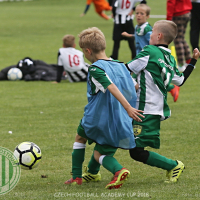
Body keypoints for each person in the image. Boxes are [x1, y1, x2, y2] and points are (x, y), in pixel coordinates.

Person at [65, 27, 144, 189]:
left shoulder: (95, 69)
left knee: (84, 142)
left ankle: (79, 177)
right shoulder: (120, 65)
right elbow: (135, 86)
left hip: (97, 118)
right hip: (120, 119)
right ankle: (93, 173)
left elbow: (111, 86)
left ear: (88, 51)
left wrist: (128, 107)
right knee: (102, 149)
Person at [126, 20, 200, 183]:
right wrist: (193, 61)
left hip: (145, 109)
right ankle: (95, 169)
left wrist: (133, 83)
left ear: (158, 36)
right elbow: (180, 81)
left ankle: (173, 165)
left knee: (136, 151)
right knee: (118, 136)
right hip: (154, 108)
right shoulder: (169, 57)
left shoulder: (149, 51)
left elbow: (126, 69)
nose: (150, 35)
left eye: (152, 33)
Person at [122, 3, 180, 102]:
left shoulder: (148, 29)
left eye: (142, 13)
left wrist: (154, 53)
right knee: (144, 81)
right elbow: (138, 36)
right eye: (137, 13)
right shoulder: (138, 27)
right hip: (140, 58)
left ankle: (171, 88)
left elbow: (156, 40)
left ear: (148, 16)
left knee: (139, 80)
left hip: (147, 58)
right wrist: (129, 36)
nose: (139, 15)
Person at [166, 0, 192, 73]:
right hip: (187, 11)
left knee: (177, 40)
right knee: (181, 38)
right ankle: (189, 60)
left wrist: (168, 18)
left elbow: (171, 2)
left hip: (178, 13)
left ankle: (181, 64)